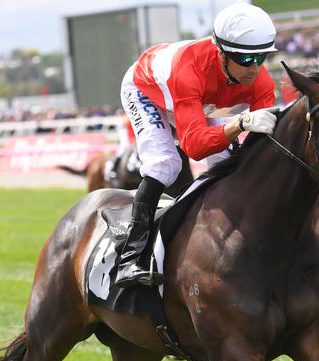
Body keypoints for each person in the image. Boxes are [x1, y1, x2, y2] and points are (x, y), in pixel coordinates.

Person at [115, 2, 279, 288]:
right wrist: (238, 124)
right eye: (244, 58)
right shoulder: (188, 69)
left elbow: (259, 146)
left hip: (196, 98)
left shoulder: (260, 81)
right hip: (145, 89)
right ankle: (131, 257)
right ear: (222, 52)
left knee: (227, 161)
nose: (254, 69)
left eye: (261, 57)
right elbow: (193, 146)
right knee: (165, 163)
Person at [104, 114, 136, 182]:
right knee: (123, 148)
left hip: (133, 136)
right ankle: (111, 169)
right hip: (127, 134)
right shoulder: (126, 118)